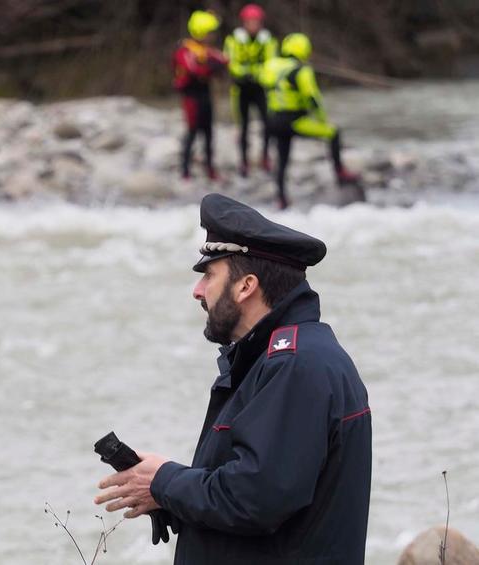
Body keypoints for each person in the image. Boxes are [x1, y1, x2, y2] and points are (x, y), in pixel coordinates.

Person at [94, 193, 372, 564]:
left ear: (246, 286)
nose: (197, 290)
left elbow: (257, 499)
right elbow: (264, 491)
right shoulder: (276, 359)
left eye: (209, 274)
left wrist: (164, 482)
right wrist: (168, 495)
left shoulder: (295, 367)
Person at [260, 33, 359, 209]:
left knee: (282, 159)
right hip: (294, 121)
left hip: (273, 122)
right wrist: (322, 121)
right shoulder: (302, 71)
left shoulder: (270, 66)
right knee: (333, 132)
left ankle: (281, 198)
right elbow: (313, 99)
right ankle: (340, 174)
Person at [173, 10, 228, 181]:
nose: (212, 36)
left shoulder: (205, 51)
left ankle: (210, 169)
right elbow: (193, 70)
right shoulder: (185, 50)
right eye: (210, 33)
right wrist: (210, 67)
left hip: (205, 94)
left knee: (208, 132)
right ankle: (185, 170)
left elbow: (224, 60)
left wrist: (211, 66)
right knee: (191, 132)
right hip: (191, 96)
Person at [223, 4, 277, 177]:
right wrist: (244, 73)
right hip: (241, 88)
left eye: (256, 22)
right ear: (244, 22)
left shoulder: (268, 40)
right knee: (243, 126)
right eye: (250, 22)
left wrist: (258, 74)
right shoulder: (233, 39)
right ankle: (244, 161)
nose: (253, 25)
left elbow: (271, 62)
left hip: (261, 88)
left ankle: (265, 157)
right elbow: (230, 61)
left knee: (267, 124)